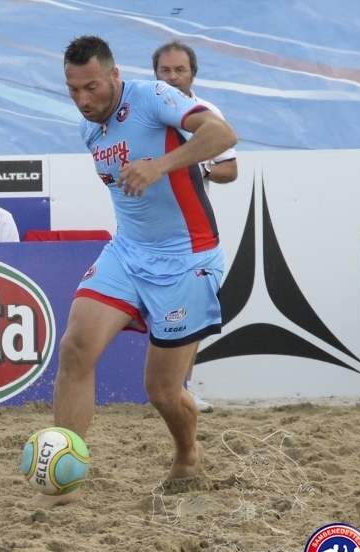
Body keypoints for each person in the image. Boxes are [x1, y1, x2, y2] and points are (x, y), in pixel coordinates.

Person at [20, 35, 237, 509]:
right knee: (75, 348)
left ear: (114, 75)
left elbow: (223, 135)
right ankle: (62, 483)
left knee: (162, 391)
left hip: (187, 258)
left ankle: (188, 453)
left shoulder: (153, 96)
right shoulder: (89, 127)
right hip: (128, 252)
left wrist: (161, 165)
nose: (83, 100)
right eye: (73, 90)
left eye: (91, 87)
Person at [153, 40, 239, 413]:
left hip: (190, 230)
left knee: (189, 311)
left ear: (193, 74)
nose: (172, 77)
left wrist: (197, 167)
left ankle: (182, 388)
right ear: (155, 74)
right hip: (143, 228)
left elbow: (230, 169)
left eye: (180, 70)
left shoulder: (207, 114)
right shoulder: (142, 110)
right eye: (165, 70)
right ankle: (157, 387)